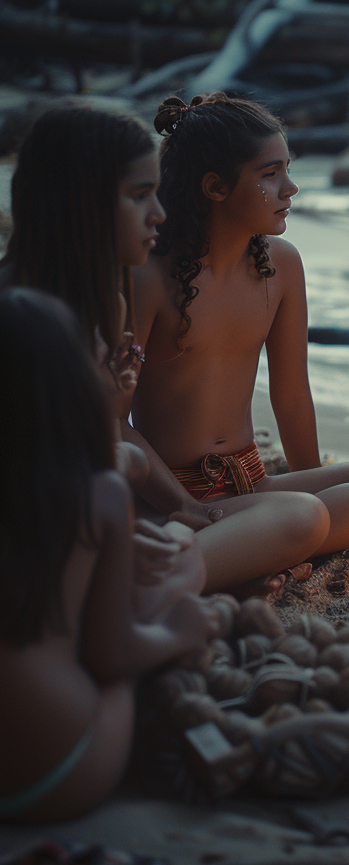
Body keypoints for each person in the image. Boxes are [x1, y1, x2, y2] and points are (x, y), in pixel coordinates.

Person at [129, 93, 349, 593]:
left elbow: (291, 396)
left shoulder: (282, 265)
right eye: (270, 174)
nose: (290, 188)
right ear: (215, 187)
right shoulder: (149, 276)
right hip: (173, 499)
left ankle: (254, 549)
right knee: (301, 518)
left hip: (253, 484)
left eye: (287, 170)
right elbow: (109, 420)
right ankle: (213, 559)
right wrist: (182, 506)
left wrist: (316, 486)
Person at [0, 288, 209, 823]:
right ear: (70, 389)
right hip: (52, 771)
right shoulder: (99, 496)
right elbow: (111, 654)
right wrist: (180, 633)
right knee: (145, 635)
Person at [0, 103, 207, 605]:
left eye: (157, 192)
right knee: (188, 543)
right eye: (140, 196)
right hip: (31, 539)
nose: (159, 213)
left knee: (139, 474)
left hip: (77, 505)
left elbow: (94, 450)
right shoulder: (19, 322)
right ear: (80, 202)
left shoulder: (108, 304)